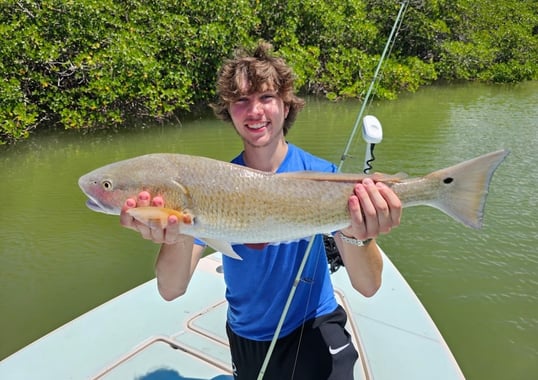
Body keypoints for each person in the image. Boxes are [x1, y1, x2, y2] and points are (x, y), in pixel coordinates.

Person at [120, 41, 402, 380]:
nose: (255, 111)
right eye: (241, 101)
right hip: (245, 336)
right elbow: (171, 289)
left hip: (313, 328)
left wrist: (360, 235)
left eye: (266, 98)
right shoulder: (212, 185)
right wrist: (176, 232)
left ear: (285, 106)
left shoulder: (324, 177)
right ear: (230, 112)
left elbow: (368, 285)